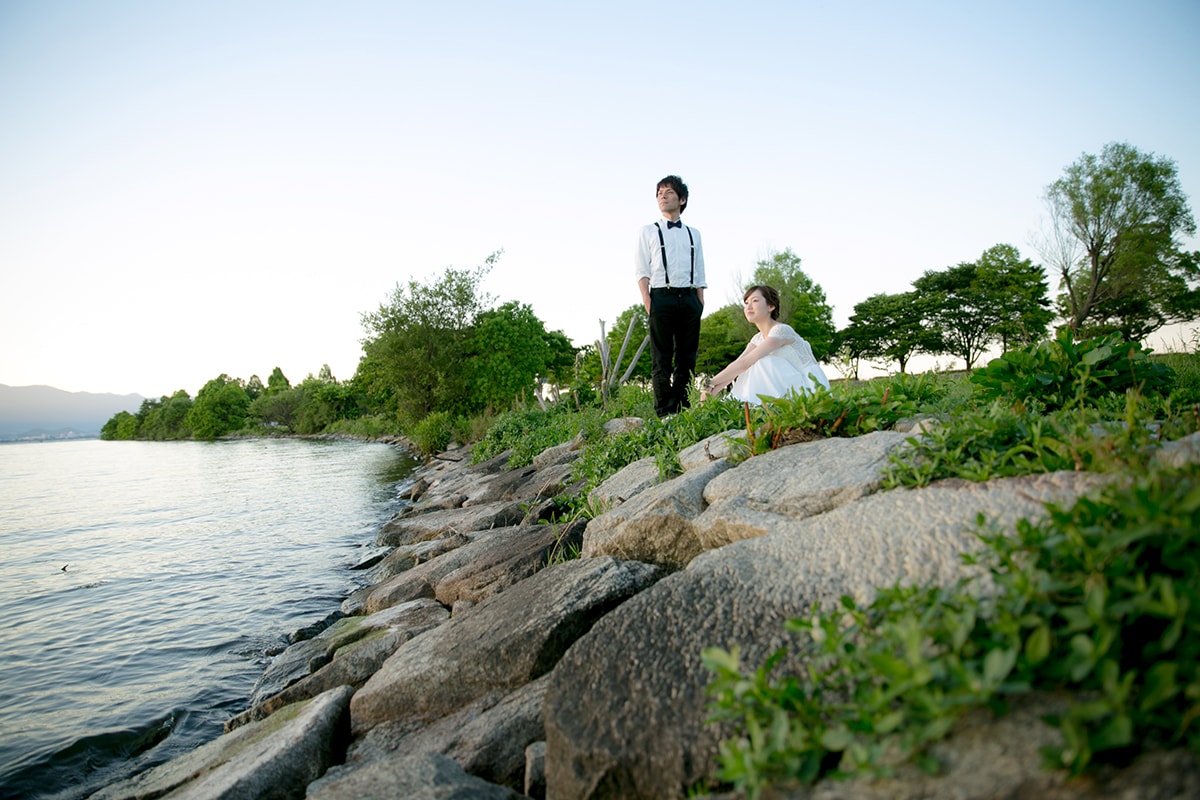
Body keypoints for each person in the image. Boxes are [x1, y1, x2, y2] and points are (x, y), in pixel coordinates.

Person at [636, 175, 706, 417]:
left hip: (688, 298)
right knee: (662, 359)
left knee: (687, 358)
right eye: (659, 193)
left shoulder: (693, 233)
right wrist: (648, 300)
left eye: (668, 192)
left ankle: (682, 409)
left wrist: (699, 300)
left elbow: (699, 269)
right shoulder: (648, 231)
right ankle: (664, 413)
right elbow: (642, 269)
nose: (662, 196)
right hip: (660, 297)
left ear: (682, 199)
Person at [700, 285, 830, 404]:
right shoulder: (757, 338)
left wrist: (709, 383)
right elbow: (738, 365)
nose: (748, 306)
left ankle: (755, 407)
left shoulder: (781, 330)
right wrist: (711, 391)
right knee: (749, 365)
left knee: (761, 362)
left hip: (812, 387)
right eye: (746, 303)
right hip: (790, 385)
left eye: (755, 301)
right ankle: (742, 407)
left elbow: (746, 363)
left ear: (770, 306)